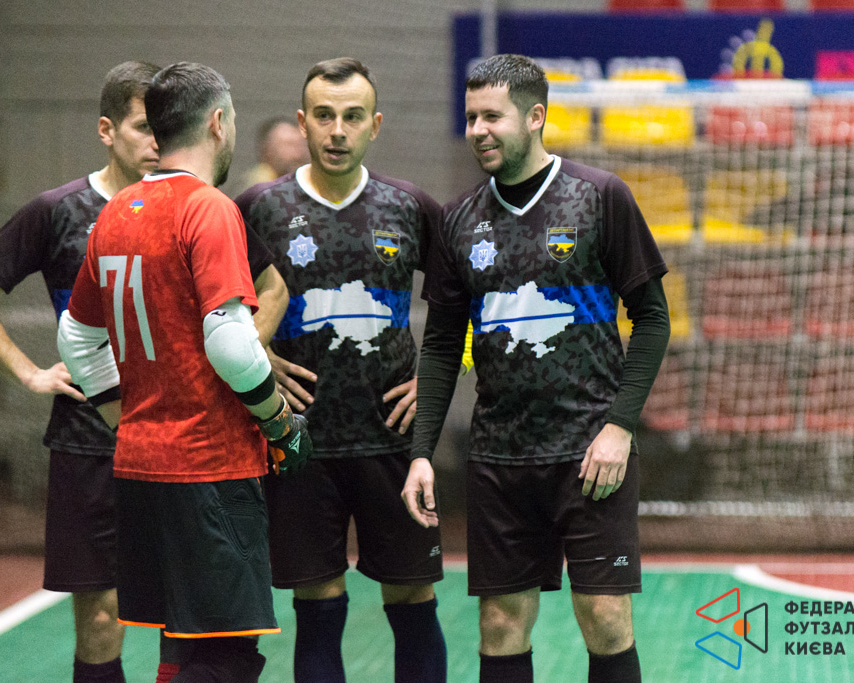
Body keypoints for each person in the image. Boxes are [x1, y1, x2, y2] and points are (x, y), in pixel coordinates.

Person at [402, 54, 671, 683]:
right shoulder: (458, 220)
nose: (478, 130)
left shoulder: (600, 196)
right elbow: (440, 346)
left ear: (535, 116)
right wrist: (421, 453)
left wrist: (620, 427)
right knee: (500, 625)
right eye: (471, 117)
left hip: (591, 453)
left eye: (492, 117)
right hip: (500, 459)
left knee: (605, 618)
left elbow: (652, 319)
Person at [57, 61, 312, 683]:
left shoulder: (117, 211)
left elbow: (75, 336)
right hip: (209, 468)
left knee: (184, 645)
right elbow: (230, 343)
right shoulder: (208, 208)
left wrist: (124, 418)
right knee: (226, 656)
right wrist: (279, 421)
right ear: (218, 123)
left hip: (139, 467)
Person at [0, 61, 161, 683]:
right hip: (88, 441)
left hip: (176, 439)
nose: (157, 142)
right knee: (101, 618)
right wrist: (29, 372)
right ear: (106, 130)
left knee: (190, 615)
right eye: (144, 127)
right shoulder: (57, 211)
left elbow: (260, 291)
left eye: (167, 129)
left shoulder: (191, 210)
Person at [235, 57, 447, 683]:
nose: (337, 131)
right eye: (324, 116)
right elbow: (212, 305)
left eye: (352, 117)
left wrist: (438, 377)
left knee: (412, 599)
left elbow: (468, 303)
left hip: (394, 441)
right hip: (299, 441)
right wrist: (256, 355)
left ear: (374, 125)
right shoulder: (257, 207)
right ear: (302, 123)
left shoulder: (410, 206)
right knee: (317, 607)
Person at [238, 116, 310, 193]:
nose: (298, 155)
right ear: (267, 151)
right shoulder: (258, 185)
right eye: (289, 145)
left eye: (300, 145)